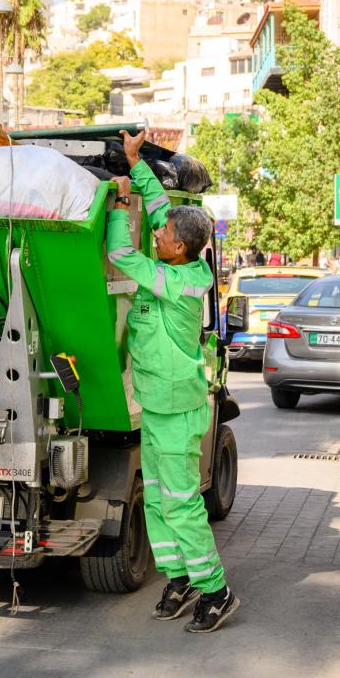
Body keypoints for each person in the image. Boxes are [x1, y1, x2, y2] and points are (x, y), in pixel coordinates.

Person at [107, 129, 239, 634]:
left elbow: (122, 256)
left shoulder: (181, 283)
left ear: (179, 248)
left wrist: (121, 207)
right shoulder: (178, 252)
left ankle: (217, 590)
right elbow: (161, 205)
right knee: (160, 502)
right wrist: (137, 164)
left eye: (161, 236)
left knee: (182, 505)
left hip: (179, 412)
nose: (154, 234)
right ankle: (181, 577)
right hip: (158, 408)